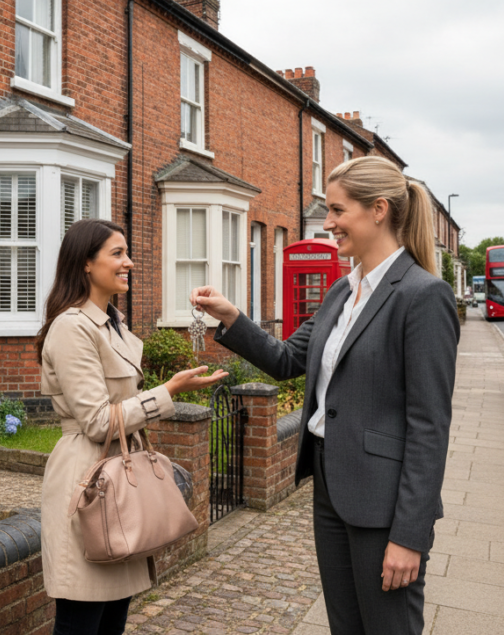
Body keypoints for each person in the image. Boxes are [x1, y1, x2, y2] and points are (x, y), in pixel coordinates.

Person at [192, 156, 459, 635]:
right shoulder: (341, 292)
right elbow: (287, 360)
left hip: (382, 503)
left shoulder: (422, 295)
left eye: (337, 211)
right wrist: (232, 316)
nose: (329, 223)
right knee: (345, 626)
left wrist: (409, 536)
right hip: (331, 489)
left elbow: (429, 426)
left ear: (379, 210)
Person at [38, 218, 227, 635]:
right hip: (89, 484)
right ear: (86, 263)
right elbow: (97, 421)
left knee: (112, 622)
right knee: (81, 622)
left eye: (127, 253)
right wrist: (168, 391)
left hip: (120, 481)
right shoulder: (72, 327)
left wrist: (172, 389)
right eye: (117, 253)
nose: (130, 262)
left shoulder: (112, 322)